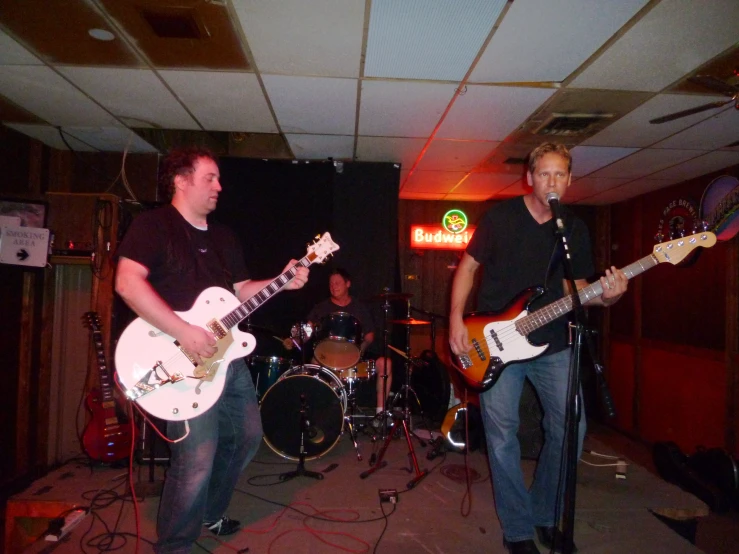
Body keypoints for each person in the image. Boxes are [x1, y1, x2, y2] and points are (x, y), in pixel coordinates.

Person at [115, 146, 309, 554]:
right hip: (179, 357)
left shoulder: (223, 237)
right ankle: (175, 545)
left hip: (228, 358)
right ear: (181, 181)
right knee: (196, 458)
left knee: (247, 438)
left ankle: (210, 512)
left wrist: (282, 279)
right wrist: (183, 330)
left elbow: (239, 293)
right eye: (210, 178)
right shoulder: (154, 226)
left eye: (219, 179)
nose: (219, 186)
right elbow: (128, 283)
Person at [449, 142, 627, 554]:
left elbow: (578, 290)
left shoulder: (573, 230)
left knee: (572, 428)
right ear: (529, 177)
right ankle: (517, 530)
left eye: (559, 175)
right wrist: (457, 318)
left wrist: (610, 295)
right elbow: (469, 266)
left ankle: (545, 515)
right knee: (502, 434)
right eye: (544, 173)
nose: (551, 182)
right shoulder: (501, 218)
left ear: (569, 180)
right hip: (495, 343)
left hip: (553, 343)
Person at [306, 268, 392, 416]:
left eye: (337, 283)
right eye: (331, 284)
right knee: (312, 364)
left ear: (348, 284)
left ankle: (380, 414)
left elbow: (370, 335)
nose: (333, 286)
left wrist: (361, 350)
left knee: (386, 363)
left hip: (355, 356)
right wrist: (299, 334)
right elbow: (307, 330)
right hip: (328, 357)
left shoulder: (359, 308)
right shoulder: (321, 308)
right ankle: (316, 414)